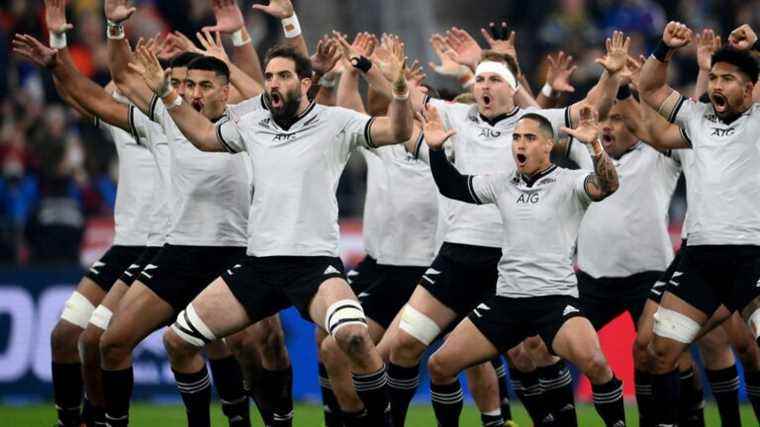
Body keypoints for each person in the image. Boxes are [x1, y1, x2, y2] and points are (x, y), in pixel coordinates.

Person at [127, 38, 413, 426]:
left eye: (283, 76)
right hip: (258, 266)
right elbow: (204, 137)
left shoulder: (336, 122)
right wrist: (165, 93)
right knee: (177, 340)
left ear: (306, 83)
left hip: (314, 266)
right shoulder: (250, 125)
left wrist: (397, 90)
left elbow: (397, 131)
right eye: (269, 77)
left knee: (355, 339)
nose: (273, 84)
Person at [379, 30, 628, 426]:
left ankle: (544, 419)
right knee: (407, 346)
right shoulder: (454, 118)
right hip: (458, 255)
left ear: (514, 90)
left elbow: (590, 110)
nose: (484, 85)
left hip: (511, 261)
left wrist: (611, 78)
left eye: (494, 79)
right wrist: (387, 77)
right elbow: (407, 102)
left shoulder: (540, 127)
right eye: (479, 79)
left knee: (532, 354)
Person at [421, 104, 626, 427]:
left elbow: (608, 186)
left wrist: (595, 146)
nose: (519, 144)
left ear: (548, 145)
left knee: (597, 364)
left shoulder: (570, 182)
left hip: (554, 299)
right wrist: (435, 151)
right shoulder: (502, 183)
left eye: (529, 138)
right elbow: (453, 186)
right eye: (516, 137)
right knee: (439, 365)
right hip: (507, 300)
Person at [638, 21, 760, 426]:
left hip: (753, 256)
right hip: (702, 259)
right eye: (717, 77)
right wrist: (664, 50)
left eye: (730, 79)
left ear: (751, 89)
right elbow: (651, 90)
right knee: (659, 353)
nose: (719, 85)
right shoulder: (696, 118)